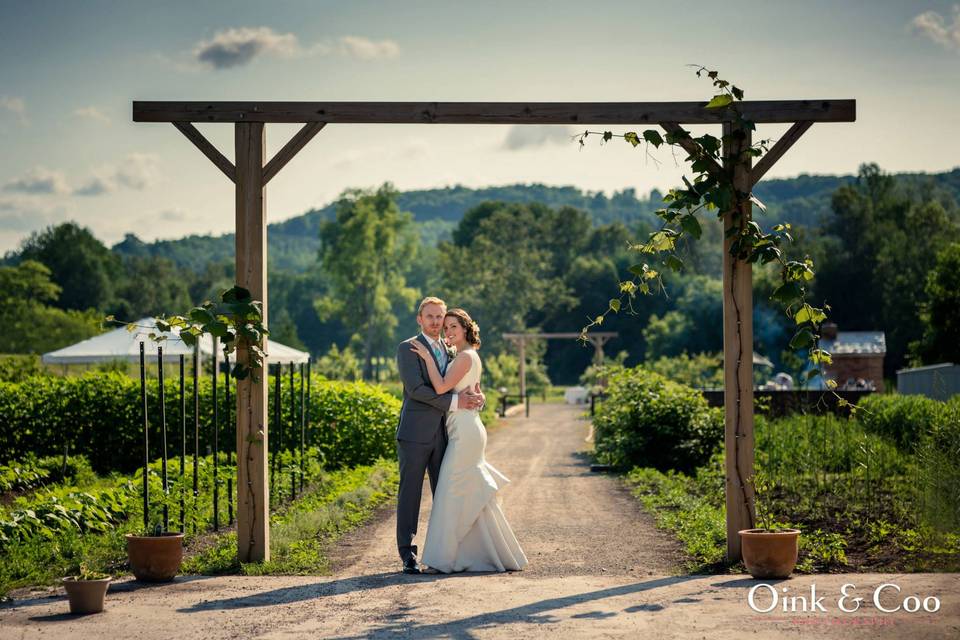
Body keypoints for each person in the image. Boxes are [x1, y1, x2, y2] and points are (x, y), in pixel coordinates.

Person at [411, 308, 527, 574]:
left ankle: (443, 560)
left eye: (454, 327)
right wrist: (481, 397)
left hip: (465, 433)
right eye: (447, 327)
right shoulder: (464, 356)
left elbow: (440, 388)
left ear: (465, 329)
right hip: (464, 428)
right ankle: (487, 552)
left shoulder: (464, 356)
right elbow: (472, 389)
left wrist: (428, 357)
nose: (448, 332)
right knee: (465, 491)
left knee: (450, 492)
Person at [395, 297, 485, 574]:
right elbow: (417, 391)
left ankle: (444, 552)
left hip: (446, 434)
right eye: (430, 317)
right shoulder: (408, 348)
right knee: (410, 494)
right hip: (414, 433)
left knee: (445, 494)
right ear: (419, 319)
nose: (436, 323)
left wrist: (478, 397)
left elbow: (462, 382)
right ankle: (408, 555)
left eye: (440, 318)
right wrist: (457, 404)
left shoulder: (451, 348)